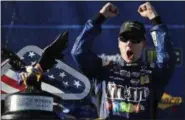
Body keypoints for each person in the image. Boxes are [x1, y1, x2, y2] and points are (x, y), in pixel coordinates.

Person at [71, 2, 176, 120]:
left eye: (135, 39)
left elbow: (167, 58)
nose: (129, 43)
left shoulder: (153, 73)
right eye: (124, 39)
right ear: (119, 43)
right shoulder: (103, 70)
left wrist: (155, 19)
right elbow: (78, 53)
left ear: (143, 44)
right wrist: (100, 17)